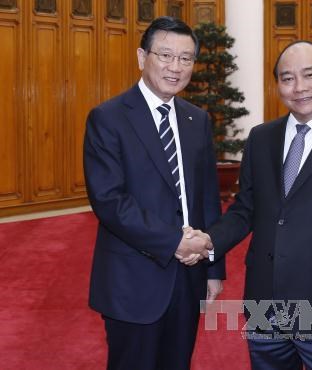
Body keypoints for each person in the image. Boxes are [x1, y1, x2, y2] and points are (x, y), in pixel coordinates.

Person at [183, 40, 312, 369]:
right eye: (287, 78)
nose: (299, 88)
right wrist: (209, 243)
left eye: (309, 75)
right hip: (265, 305)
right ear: (278, 85)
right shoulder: (260, 138)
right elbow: (245, 209)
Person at [83, 16, 224, 370]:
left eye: (186, 58)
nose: (175, 67)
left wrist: (212, 268)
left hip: (189, 277)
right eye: (165, 55)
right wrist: (174, 242)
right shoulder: (108, 118)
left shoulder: (197, 119)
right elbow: (110, 201)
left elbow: (208, 198)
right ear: (142, 57)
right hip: (134, 281)